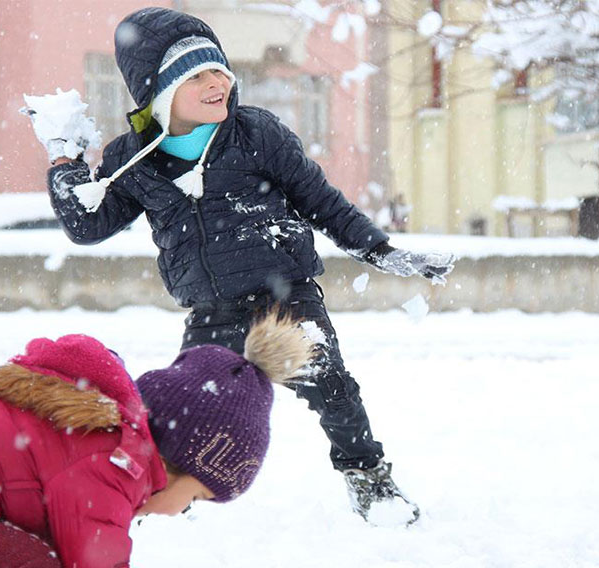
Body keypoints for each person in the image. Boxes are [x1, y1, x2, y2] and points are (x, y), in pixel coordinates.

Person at [29, 6, 454, 524]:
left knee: (334, 393)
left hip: (285, 300)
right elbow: (87, 225)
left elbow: (321, 201)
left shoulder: (256, 134)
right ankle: (162, 490)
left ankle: (369, 480)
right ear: (159, 92)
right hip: (212, 309)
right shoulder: (132, 157)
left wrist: (380, 250)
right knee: (178, 413)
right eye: (197, 76)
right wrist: (63, 159)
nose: (217, 85)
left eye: (220, 71)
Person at [0, 312, 312, 568]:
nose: (184, 511)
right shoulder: (114, 462)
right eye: (199, 496)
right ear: (178, 459)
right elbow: (95, 557)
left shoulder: (91, 431)